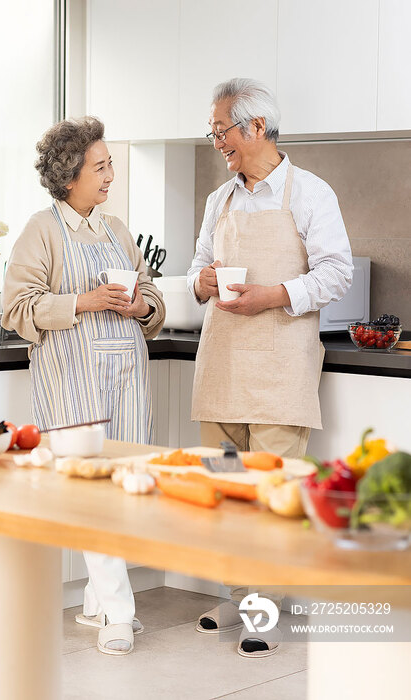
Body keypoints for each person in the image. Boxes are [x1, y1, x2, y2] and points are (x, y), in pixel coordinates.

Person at [187, 78, 353, 658]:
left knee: (275, 490)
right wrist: (201, 282)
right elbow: (197, 268)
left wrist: (274, 294)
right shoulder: (220, 200)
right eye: (212, 133)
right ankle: (237, 594)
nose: (217, 143)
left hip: (281, 363)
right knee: (227, 488)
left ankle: (266, 606)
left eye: (222, 131)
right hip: (223, 360)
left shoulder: (310, 193)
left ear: (257, 127)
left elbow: (337, 272)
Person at [2, 116, 165, 656]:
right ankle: (118, 611)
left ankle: (97, 603)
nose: (111, 175)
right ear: (69, 175)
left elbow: (155, 301)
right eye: (101, 166)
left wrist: (142, 306)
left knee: (124, 487)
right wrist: (83, 302)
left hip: (127, 377)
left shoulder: (116, 231)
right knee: (92, 491)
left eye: (111, 163)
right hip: (72, 379)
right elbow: (16, 310)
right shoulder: (41, 231)